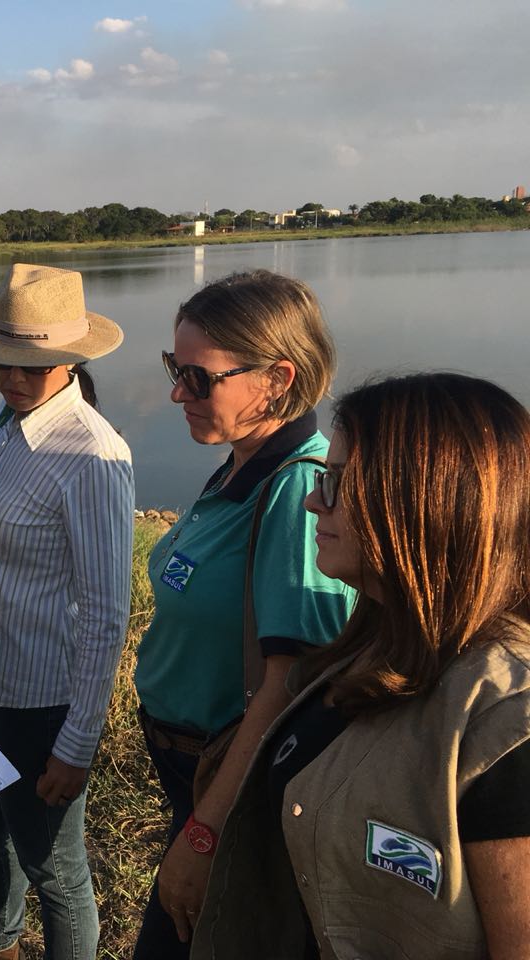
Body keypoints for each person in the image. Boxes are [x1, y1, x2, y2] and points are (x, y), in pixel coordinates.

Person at [193, 373, 530, 959]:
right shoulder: (371, 644)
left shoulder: (505, 718)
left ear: (425, 501)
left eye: (339, 483)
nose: (311, 500)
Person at [130, 270, 357, 958]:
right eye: (174, 370)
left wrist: (204, 835)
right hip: (191, 772)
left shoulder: (297, 494)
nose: (178, 393)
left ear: (277, 379)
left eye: (198, 378)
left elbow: (288, 687)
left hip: (233, 785)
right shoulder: (240, 464)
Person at [0, 263, 134, 960]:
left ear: (73, 359)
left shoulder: (91, 454)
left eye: (33, 365)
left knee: (53, 868)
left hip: (40, 701)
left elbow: (107, 613)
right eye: (2, 361)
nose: (13, 377)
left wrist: (76, 743)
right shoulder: (10, 424)